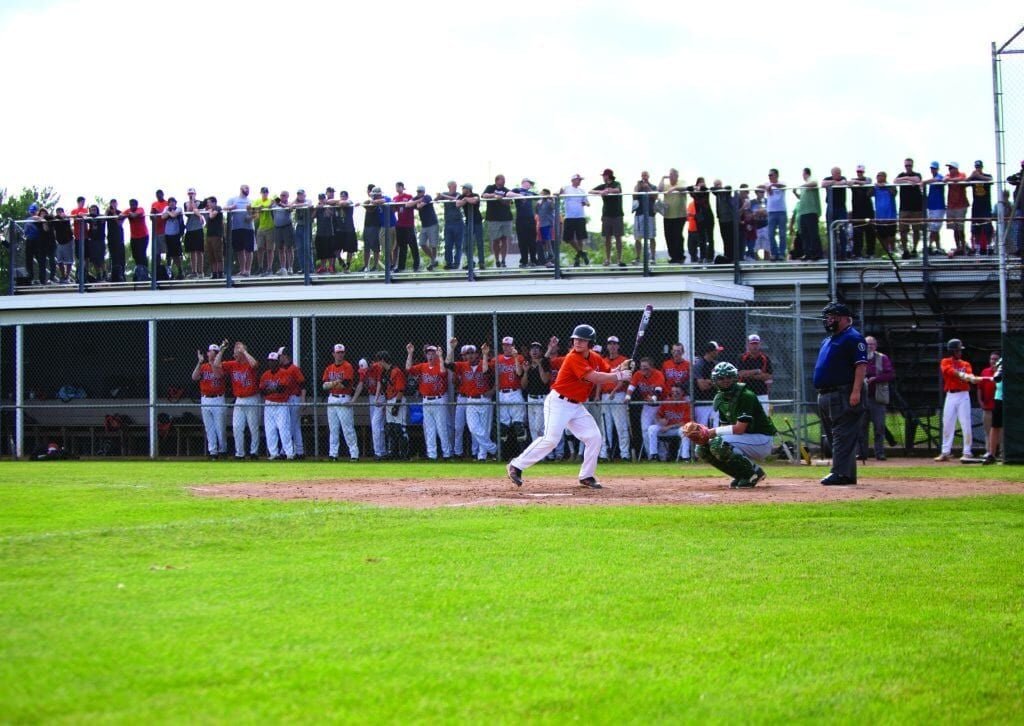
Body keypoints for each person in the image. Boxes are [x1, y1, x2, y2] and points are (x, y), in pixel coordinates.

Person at [507, 324, 633, 489]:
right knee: (551, 439)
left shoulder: (595, 357)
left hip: (576, 406)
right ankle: (516, 466)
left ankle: (586, 476)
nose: (577, 342)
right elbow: (595, 377)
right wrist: (620, 375)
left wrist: (622, 367)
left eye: (582, 340)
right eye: (575, 339)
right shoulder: (573, 357)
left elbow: (608, 370)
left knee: (594, 437)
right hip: (559, 403)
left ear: (590, 343)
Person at [684, 362, 775, 487]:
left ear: (735, 378)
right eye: (721, 378)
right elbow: (725, 427)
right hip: (745, 439)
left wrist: (712, 432)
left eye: (729, 377)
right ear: (715, 380)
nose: (725, 380)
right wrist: (706, 435)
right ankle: (741, 474)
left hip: (761, 439)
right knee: (701, 449)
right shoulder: (720, 398)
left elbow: (739, 429)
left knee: (719, 444)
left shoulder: (745, 395)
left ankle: (754, 472)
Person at [813, 302, 867, 485]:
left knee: (842, 434)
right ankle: (847, 474)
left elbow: (861, 365)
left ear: (845, 319)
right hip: (825, 393)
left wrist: (856, 391)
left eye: (833, 317)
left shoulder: (853, 337)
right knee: (835, 435)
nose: (829, 320)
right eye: (828, 317)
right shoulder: (828, 340)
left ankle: (840, 473)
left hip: (843, 392)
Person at [446, 339, 496, 461]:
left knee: (485, 429)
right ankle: (494, 449)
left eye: (472, 353)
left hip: (484, 400)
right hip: (470, 400)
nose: (470, 355)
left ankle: (482, 456)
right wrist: (451, 348)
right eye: (468, 353)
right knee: (473, 428)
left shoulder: (484, 363)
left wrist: (485, 355)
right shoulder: (463, 365)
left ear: (477, 354)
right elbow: (447, 363)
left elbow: (486, 371)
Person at [405, 342, 452, 461]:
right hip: (426, 400)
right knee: (429, 429)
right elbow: (408, 369)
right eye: (428, 353)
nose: (430, 355)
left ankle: (446, 454)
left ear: (436, 355)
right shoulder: (422, 366)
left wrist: (440, 357)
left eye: (432, 353)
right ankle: (432, 455)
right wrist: (410, 353)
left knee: (442, 428)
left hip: (438, 400)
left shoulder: (439, 365)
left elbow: (443, 373)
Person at [934, 338, 975, 461]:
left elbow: (969, 374)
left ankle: (967, 452)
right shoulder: (945, 361)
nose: (959, 353)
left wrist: (971, 378)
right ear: (952, 351)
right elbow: (948, 371)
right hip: (950, 395)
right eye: (957, 351)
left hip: (963, 395)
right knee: (947, 423)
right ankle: (945, 452)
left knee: (965, 423)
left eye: (960, 350)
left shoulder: (965, 364)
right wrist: (961, 374)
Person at [221, 341, 261, 460]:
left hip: (252, 398)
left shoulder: (249, 362)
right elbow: (217, 365)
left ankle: (254, 452)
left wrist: (244, 351)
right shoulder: (233, 364)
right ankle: (240, 453)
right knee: (237, 427)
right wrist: (222, 350)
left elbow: (255, 365)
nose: (234, 355)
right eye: (234, 352)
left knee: (253, 427)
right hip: (239, 399)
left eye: (237, 352)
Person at [322, 343, 360, 462]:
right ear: (333, 354)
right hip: (332, 399)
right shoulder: (329, 368)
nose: (340, 354)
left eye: (342, 352)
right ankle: (333, 454)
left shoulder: (347, 366)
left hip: (344, 399)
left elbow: (346, 384)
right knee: (333, 429)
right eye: (338, 352)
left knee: (347, 428)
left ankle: (354, 454)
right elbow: (324, 386)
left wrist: (331, 384)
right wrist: (336, 382)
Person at [861, 336, 895, 461]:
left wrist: (875, 379)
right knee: (862, 427)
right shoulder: (859, 358)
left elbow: (890, 374)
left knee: (879, 427)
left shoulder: (883, 358)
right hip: (862, 398)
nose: (869, 346)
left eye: (872, 344)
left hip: (877, 398)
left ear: (875, 346)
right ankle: (862, 453)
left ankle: (879, 453)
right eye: (867, 344)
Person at [192, 341, 228, 460]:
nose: (211, 353)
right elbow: (194, 377)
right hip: (205, 399)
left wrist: (213, 361)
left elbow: (218, 375)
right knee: (209, 428)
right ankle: (213, 452)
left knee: (220, 427)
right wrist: (199, 362)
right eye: (210, 351)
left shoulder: (220, 365)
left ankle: (223, 450)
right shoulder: (203, 366)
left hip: (218, 399)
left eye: (214, 352)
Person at [625, 357, 666, 460]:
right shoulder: (638, 374)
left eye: (646, 367)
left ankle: (663, 456)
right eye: (642, 367)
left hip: (660, 405)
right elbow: (632, 386)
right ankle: (651, 455)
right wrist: (628, 396)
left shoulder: (658, 374)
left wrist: (653, 398)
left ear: (651, 367)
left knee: (659, 431)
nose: (643, 369)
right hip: (647, 406)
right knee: (645, 430)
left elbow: (658, 389)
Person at [598, 336, 630, 461]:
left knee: (621, 426)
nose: (612, 346)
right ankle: (605, 454)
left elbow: (624, 379)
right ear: (607, 346)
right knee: (605, 427)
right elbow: (599, 379)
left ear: (618, 346)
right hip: (605, 396)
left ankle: (625, 454)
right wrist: (597, 395)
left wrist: (614, 391)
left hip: (618, 395)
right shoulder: (603, 361)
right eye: (610, 343)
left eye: (614, 344)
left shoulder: (624, 360)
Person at [259, 351, 295, 460]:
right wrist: (274, 389)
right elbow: (262, 391)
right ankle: (273, 453)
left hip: (281, 404)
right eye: (270, 361)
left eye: (273, 361)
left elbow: (282, 388)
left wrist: (270, 389)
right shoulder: (265, 374)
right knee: (270, 430)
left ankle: (289, 453)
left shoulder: (284, 373)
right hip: (269, 404)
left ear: (277, 362)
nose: (271, 363)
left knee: (284, 429)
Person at [646, 383, 692, 462]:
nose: (675, 394)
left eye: (677, 392)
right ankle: (654, 455)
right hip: (665, 429)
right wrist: (660, 420)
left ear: (682, 393)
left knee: (685, 430)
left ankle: (685, 457)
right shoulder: (667, 402)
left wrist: (669, 427)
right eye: (673, 392)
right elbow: (658, 415)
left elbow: (685, 422)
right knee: (652, 428)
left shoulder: (686, 404)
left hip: (677, 430)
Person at [494, 336, 526, 448]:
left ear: (513, 346)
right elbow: (486, 371)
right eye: (504, 345)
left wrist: (516, 357)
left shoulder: (520, 357)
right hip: (501, 394)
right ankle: (501, 453)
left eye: (509, 345)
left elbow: (519, 373)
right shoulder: (497, 359)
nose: (506, 347)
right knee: (503, 425)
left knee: (518, 424)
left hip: (515, 392)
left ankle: (523, 452)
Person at [591, 168, 625, 267]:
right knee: (607, 238)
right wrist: (601, 192)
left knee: (618, 237)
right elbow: (591, 191)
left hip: (617, 214)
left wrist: (608, 190)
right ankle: (608, 259)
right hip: (606, 215)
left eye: (604, 175)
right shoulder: (603, 186)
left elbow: (617, 190)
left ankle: (619, 259)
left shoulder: (616, 183)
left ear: (608, 176)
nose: (603, 177)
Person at [521, 341, 552, 448]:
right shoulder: (527, 364)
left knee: (539, 428)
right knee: (533, 428)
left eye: (537, 348)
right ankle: (536, 451)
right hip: (530, 398)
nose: (534, 351)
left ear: (541, 351)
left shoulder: (545, 362)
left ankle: (543, 450)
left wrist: (539, 365)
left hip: (542, 398)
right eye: (532, 348)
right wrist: (525, 371)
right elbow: (523, 385)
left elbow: (545, 380)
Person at [278, 349, 306, 459]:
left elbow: (303, 385)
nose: (278, 358)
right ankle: (299, 451)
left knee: (291, 425)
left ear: (285, 356)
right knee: (294, 426)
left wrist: (303, 400)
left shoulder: (294, 368)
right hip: (285, 399)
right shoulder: (280, 369)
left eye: (280, 356)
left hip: (294, 398)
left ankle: (285, 450)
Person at [482, 174, 514, 268]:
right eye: (502, 179)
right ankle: (497, 260)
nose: (504, 181)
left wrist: (501, 199)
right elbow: (483, 195)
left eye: (504, 179)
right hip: (493, 219)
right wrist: (495, 195)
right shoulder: (490, 188)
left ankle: (503, 260)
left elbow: (509, 203)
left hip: (506, 218)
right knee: (495, 240)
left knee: (504, 239)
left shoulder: (506, 190)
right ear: (497, 180)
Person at [894, 158, 924, 258]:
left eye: (909, 165)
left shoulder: (917, 174)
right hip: (904, 208)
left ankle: (914, 249)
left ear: (912, 165)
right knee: (903, 230)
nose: (908, 167)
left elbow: (917, 180)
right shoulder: (901, 174)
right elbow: (895, 181)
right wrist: (907, 180)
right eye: (906, 165)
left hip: (916, 208)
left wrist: (905, 180)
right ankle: (905, 250)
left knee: (916, 230)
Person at [560, 174, 590, 267]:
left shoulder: (582, 190)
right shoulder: (566, 188)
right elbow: (558, 193)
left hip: (580, 216)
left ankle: (578, 259)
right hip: (569, 217)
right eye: (578, 179)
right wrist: (559, 192)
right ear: (573, 180)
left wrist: (585, 203)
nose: (580, 181)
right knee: (567, 238)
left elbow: (588, 203)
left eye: (580, 180)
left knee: (580, 238)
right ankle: (581, 253)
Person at [225, 184, 255, 277]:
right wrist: (231, 208)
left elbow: (256, 214)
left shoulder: (251, 201)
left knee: (249, 250)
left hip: (248, 228)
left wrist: (250, 217)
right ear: (241, 189)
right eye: (246, 188)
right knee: (239, 250)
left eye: (249, 188)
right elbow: (224, 208)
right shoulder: (233, 199)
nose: (248, 190)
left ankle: (248, 271)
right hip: (236, 228)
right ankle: (242, 270)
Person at [692, 341, 724, 427]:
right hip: (701, 403)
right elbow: (702, 386)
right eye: (716, 351)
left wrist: (709, 381)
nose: (718, 353)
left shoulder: (716, 365)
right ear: (710, 352)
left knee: (716, 426)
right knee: (702, 427)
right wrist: (716, 382)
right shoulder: (699, 365)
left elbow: (723, 383)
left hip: (714, 402)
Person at [965, 160, 994, 255]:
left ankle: (989, 247)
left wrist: (979, 176)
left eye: (979, 167)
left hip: (986, 207)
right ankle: (977, 248)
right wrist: (972, 176)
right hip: (976, 207)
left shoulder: (987, 176)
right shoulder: (973, 178)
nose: (978, 168)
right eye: (976, 167)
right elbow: (965, 183)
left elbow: (991, 180)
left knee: (987, 228)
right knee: (976, 229)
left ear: (982, 167)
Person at [793, 168, 823, 260]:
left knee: (813, 233)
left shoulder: (811, 179)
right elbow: (802, 198)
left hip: (811, 211)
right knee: (804, 234)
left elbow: (814, 183)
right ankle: (807, 253)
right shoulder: (804, 186)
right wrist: (795, 193)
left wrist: (801, 186)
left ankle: (816, 253)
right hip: (803, 212)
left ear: (806, 173)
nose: (802, 176)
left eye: (803, 174)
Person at [659, 168, 687, 264]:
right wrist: (662, 178)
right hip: (668, 215)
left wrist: (674, 188)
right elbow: (659, 189)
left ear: (677, 176)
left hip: (680, 215)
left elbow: (685, 188)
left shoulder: (681, 182)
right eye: (670, 175)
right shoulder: (666, 185)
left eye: (673, 175)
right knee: (668, 236)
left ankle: (680, 256)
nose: (671, 176)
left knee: (677, 236)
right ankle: (673, 257)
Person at [736, 334, 772, 408]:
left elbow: (768, 376)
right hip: (745, 392)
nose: (754, 346)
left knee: (763, 415)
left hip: (762, 393)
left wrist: (749, 375)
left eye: (756, 344)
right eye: (752, 344)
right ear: (748, 345)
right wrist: (757, 371)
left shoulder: (765, 358)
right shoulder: (742, 357)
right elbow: (741, 374)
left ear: (759, 344)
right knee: (746, 414)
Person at [822, 167, 849, 260]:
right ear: (832, 173)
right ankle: (833, 253)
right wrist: (834, 182)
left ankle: (843, 254)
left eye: (839, 172)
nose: (838, 174)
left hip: (841, 208)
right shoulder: (827, 178)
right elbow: (823, 184)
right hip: (830, 207)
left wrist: (833, 183)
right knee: (831, 231)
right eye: (836, 173)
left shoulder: (843, 178)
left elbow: (844, 183)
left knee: (843, 230)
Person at [849, 165, 875, 259]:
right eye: (858, 172)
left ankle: (870, 253)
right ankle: (857, 253)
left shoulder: (868, 179)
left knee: (870, 232)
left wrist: (857, 182)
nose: (859, 173)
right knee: (857, 233)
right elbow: (849, 183)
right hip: (857, 210)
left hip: (868, 210)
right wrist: (855, 182)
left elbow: (868, 182)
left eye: (861, 172)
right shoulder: (853, 180)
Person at [977, 351, 1000, 458]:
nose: (993, 361)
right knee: (988, 431)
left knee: (1001, 431)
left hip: (999, 406)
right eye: (992, 359)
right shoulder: (985, 371)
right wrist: (980, 402)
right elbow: (980, 388)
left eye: (996, 359)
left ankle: (1002, 453)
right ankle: (989, 451)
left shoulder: (1002, 372)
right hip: (987, 407)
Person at [393, 182, 420, 272]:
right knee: (402, 246)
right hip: (400, 225)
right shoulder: (395, 198)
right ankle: (401, 267)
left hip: (409, 224)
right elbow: (394, 210)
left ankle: (416, 265)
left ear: (402, 187)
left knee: (413, 245)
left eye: (398, 187)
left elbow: (414, 205)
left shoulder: (408, 196)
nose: (397, 188)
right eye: (396, 187)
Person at [437, 181, 464, 270]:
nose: (455, 187)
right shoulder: (444, 194)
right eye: (453, 186)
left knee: (458, 245)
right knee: (448, 245)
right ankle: (449, 263)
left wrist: (443, 195)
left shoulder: (458, 194)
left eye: (456, 186)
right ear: (449, 186)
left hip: (458, 222)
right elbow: (436, 199)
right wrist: (439, 196)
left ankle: (457, 263)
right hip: (448, 223)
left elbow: (456, 199)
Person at [512, 178, 539, 267]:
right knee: (522, 241)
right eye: (529, 183)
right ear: (524, 182)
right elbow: (508, 194)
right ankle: (524, 261)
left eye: (531, 184)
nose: (530, 185)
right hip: (521, 219)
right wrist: (519, 196)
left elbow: (540, 197)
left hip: (530, 219)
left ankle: (533, 260)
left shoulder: (531, 193)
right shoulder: (517, 190)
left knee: (532, 241)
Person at [411, 186, 440, 271]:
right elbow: (408, 204)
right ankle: (433, 260)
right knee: (422, 243)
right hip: (424, 225)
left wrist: (416, 203)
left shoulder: (427, 197)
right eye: (417, 191)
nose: (418, 193)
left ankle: (433, 263)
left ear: (424, 192)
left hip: (432, 223)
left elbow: (420, 206)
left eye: (420, 191)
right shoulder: (417, 198)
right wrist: (417, 201)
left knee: (433, 245)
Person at [633, 171, 658, 265]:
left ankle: (653, 257)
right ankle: (638, 257)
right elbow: (634, 196)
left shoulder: (653, 186)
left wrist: (648, 188)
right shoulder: (637, 186)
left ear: (648, 176)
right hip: (639, 213)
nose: (644, 177)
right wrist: (638, 187)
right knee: (638, 237)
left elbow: (655, 196)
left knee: (651, 236)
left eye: (645, 175)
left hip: (650, 214)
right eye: (642, 175)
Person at [459, 183, 485, 269]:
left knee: (479, 243)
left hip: (477, 222)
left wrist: (466, 199)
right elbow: (458, 204)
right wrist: (466, 200)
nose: (462, 189)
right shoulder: (461, 196)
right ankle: (470, 262)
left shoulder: (475, 195)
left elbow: (474, 201)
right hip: (468, 223)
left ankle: (482, 263)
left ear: (468, 189)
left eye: (463, 188)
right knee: (466, 245)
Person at [944, 162, 969, 256]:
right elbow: (944, 179)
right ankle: (958, 247)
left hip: (961, 205)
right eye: (949, 168)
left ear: (956, 168)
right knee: (954, 229)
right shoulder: (948, 175)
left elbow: (962, 179)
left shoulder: (962, 174)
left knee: (960, 228)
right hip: (951, 206)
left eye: (951, 168)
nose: (949, 170)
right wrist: (952, 180)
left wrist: (952, 180)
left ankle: (963, 247)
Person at [123, 198, 150, 280]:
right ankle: (139, 272)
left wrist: (128, 214)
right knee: (135, 255)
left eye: (133, 204)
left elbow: (135, 215)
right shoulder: (128, 210)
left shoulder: (140, 209)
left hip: (143, 236)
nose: (132, 206)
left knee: (142, 254)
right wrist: (125, 214)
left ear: (136, 205)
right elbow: (120, 216)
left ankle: (145, 273)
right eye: (131, 205)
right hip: (134, 237)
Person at [763, 168, 787, 262]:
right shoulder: (767, 184)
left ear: (776, 175)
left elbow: (783, 186)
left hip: (781, 211)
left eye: (771, 175)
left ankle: (781, 254)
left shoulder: (782, 182)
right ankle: (774, 253)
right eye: (769, 175)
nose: (769, 177)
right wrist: (768, 187)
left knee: (782, 234)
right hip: (771, 212)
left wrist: (773, 185)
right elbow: (761, 186)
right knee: (770, 234)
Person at [923, 161, 946, 255]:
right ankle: (938, 247)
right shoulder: (931, 180)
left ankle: (929, 246)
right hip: (931, 207)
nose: (932, 170)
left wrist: (924, 182)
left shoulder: (939, 177)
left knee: (935, 227)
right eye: (931, 168)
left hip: (939, 207)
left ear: (937, 169)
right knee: (933, 228)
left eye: (934, 168)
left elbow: (938, 180)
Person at [873, 171, 898, 256]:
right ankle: (887, 252)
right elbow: (868, 194)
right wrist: (874, 186)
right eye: (877, 176)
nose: (879, 178)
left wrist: (886, 186)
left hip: (890, 215)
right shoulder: (875, 187)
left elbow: (894, 193)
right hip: (879, 216)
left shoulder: (890, 186)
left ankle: (893, 251)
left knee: (891, 235)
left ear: (885, 177)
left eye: (880, 176)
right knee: (882, 236)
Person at [183, 188, 206, 279]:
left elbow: (196, 210)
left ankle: (201, 271)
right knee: (192, 251)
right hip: (190, 229)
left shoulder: (200, 203)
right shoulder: (185, 203)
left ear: (195, 194)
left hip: (198, 228)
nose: (191, 195)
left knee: (199, 251)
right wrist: (190, 201)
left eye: (192, 193)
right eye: (189, 193)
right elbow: (188, 213)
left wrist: (193, 201)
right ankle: (194, 271)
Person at [251, 186, 275, 276]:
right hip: (260, 227)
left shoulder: (270, 199)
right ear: (260, 193)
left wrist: (265, 206)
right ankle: (260, 267)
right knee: (260, 248)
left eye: (266, 192)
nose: (265, 193)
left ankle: (269, 268)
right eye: (263, 192)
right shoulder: (257, 200)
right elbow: (252, 206)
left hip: (270, 227)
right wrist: (259, 207)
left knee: (270, 249)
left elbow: (275, 201)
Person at [160, 196, 185, 279]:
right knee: (170, 255)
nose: (171, 203)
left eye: (173, 202)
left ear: (175, 202)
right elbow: (162, 217)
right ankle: (170, 272)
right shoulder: (166, 208)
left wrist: (168, 213)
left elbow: (174, 215)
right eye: (170, 202)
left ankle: (180, 271)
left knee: (177, 254)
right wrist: (168, 211)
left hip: (176, 234)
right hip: (167, 234)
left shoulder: (179, 208)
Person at [105, 199, 127, 282]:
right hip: (111, 237)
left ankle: (122, 274)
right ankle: (114, 275)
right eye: (112, 203)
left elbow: (119, 223)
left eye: (114, 203)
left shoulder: (120, 212)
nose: (113, 205)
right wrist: (107, 211)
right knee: (113, 257)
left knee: (121, 256)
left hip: (119, 237)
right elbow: (103, 221)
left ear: (117, 204)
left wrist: (114, 212)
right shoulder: (108, 213)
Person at [203, 196, 225, 279]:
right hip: (209, 235)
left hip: (217, 235)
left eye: (209, 202)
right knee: (211, 255)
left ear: (214, 202)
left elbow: (212, 216)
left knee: (218, 254)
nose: (208, 204)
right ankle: (214, 273)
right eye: (207, 203)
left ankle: (220, 272)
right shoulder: (208, 210)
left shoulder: (218, 208)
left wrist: (209, 212)